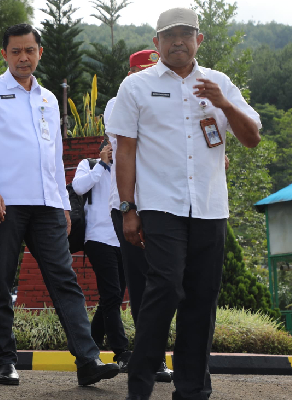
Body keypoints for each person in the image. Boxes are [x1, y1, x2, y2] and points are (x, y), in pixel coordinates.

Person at [109, 8, 262, 400]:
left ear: (199, 40)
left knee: (201, 297)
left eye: (186, 33)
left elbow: (251, 138)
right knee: (165, 288)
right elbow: (124, 151)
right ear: (156, 42)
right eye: (169, 35)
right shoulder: (137, 87)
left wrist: (224, 104)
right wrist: (128, 209)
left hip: (210, 207)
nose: (178, 41)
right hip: (161, 205)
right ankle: (139, 387)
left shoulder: (220, 83)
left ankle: (192, 389)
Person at [0, 24, 119, 387]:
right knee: (1, 282)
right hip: (4, 201)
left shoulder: (49, 98)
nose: (23, 58)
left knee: (65, 280)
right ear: (4, 55)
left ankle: (88, 360)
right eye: (16, 51)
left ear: (40, 52)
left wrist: (64, 204)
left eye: (30, 51)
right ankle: (4, 361)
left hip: (48, 205)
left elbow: (55, 156)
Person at [103, 49, 175, 383]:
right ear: (130, 73)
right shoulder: (118, 104)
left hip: (164, 203)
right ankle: (151, 358)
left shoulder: (167, 100)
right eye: (140, 71)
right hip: (129, 205)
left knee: (166, 283)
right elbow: (127, 149)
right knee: (142, 283)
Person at [71, 139, 131, 370]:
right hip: (97, 239)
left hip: (123, 240)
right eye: (110, 147)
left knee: (111, 298)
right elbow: (78, 187)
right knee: (112, 294)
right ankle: (121, 352)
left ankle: (88, 349)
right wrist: (102, 166)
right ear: (103, 149)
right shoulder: (89, 164)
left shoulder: (127, 168)